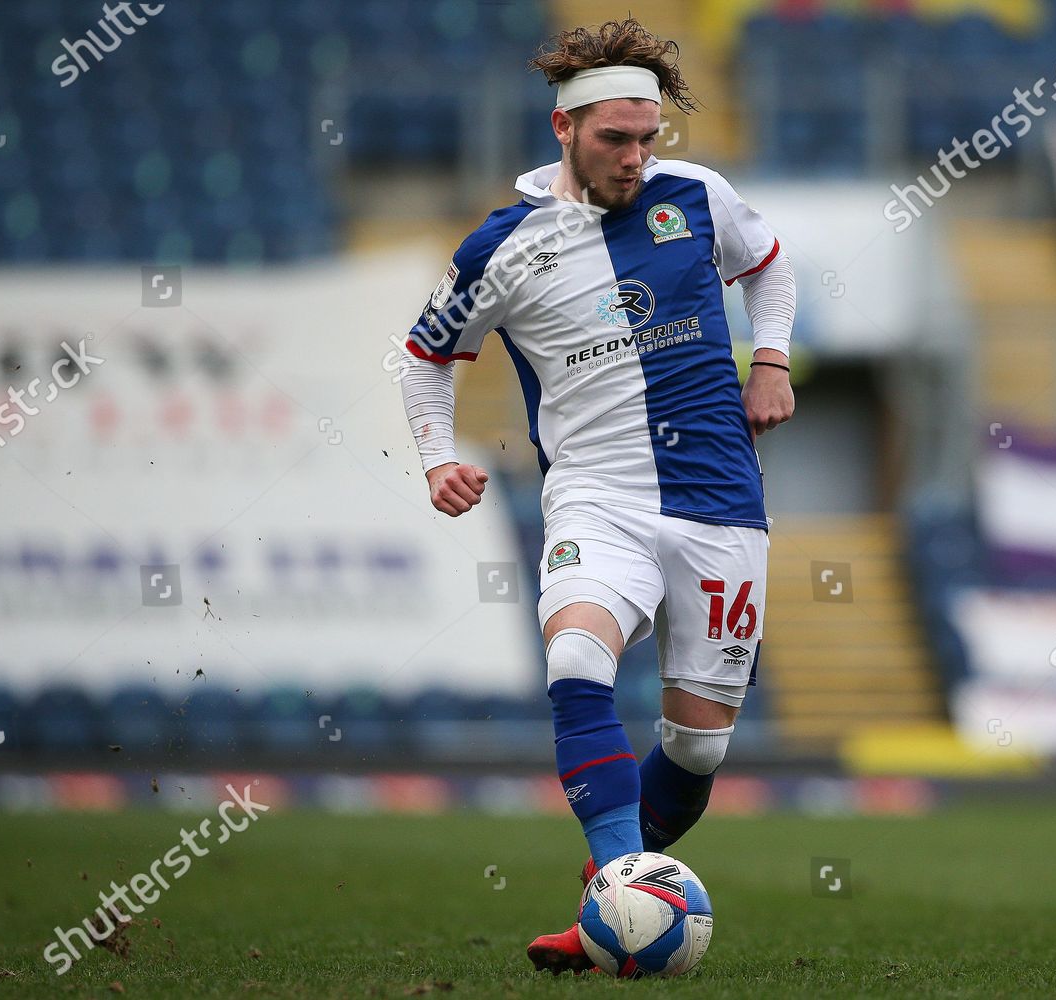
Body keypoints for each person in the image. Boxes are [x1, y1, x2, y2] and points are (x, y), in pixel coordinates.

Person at [398, 17, 796, 974]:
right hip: (597, 497)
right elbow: (423, 361)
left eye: (648, 136)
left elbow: (769, 268)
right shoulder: (502, 246)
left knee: (696, 757)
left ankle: (599, 915)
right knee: (577, 655)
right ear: (563, 129)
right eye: (615, 139)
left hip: (719, 502)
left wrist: (771, 359)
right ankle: (622, 884)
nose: (636, 156)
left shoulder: (697, 195)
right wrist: (434, 456)